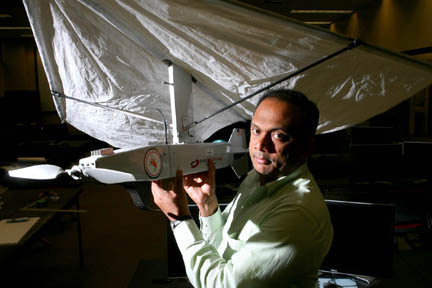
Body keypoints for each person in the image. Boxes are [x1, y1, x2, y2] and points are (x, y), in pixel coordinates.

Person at [151, 89, 333, 288]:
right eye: (256, 131)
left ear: (307, 146)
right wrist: (207, 205)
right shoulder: (259, 177)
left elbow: (224, 284)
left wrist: (179, 217)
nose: (260, 145)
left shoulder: (298, 214)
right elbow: (224, 251)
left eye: (279, 135)